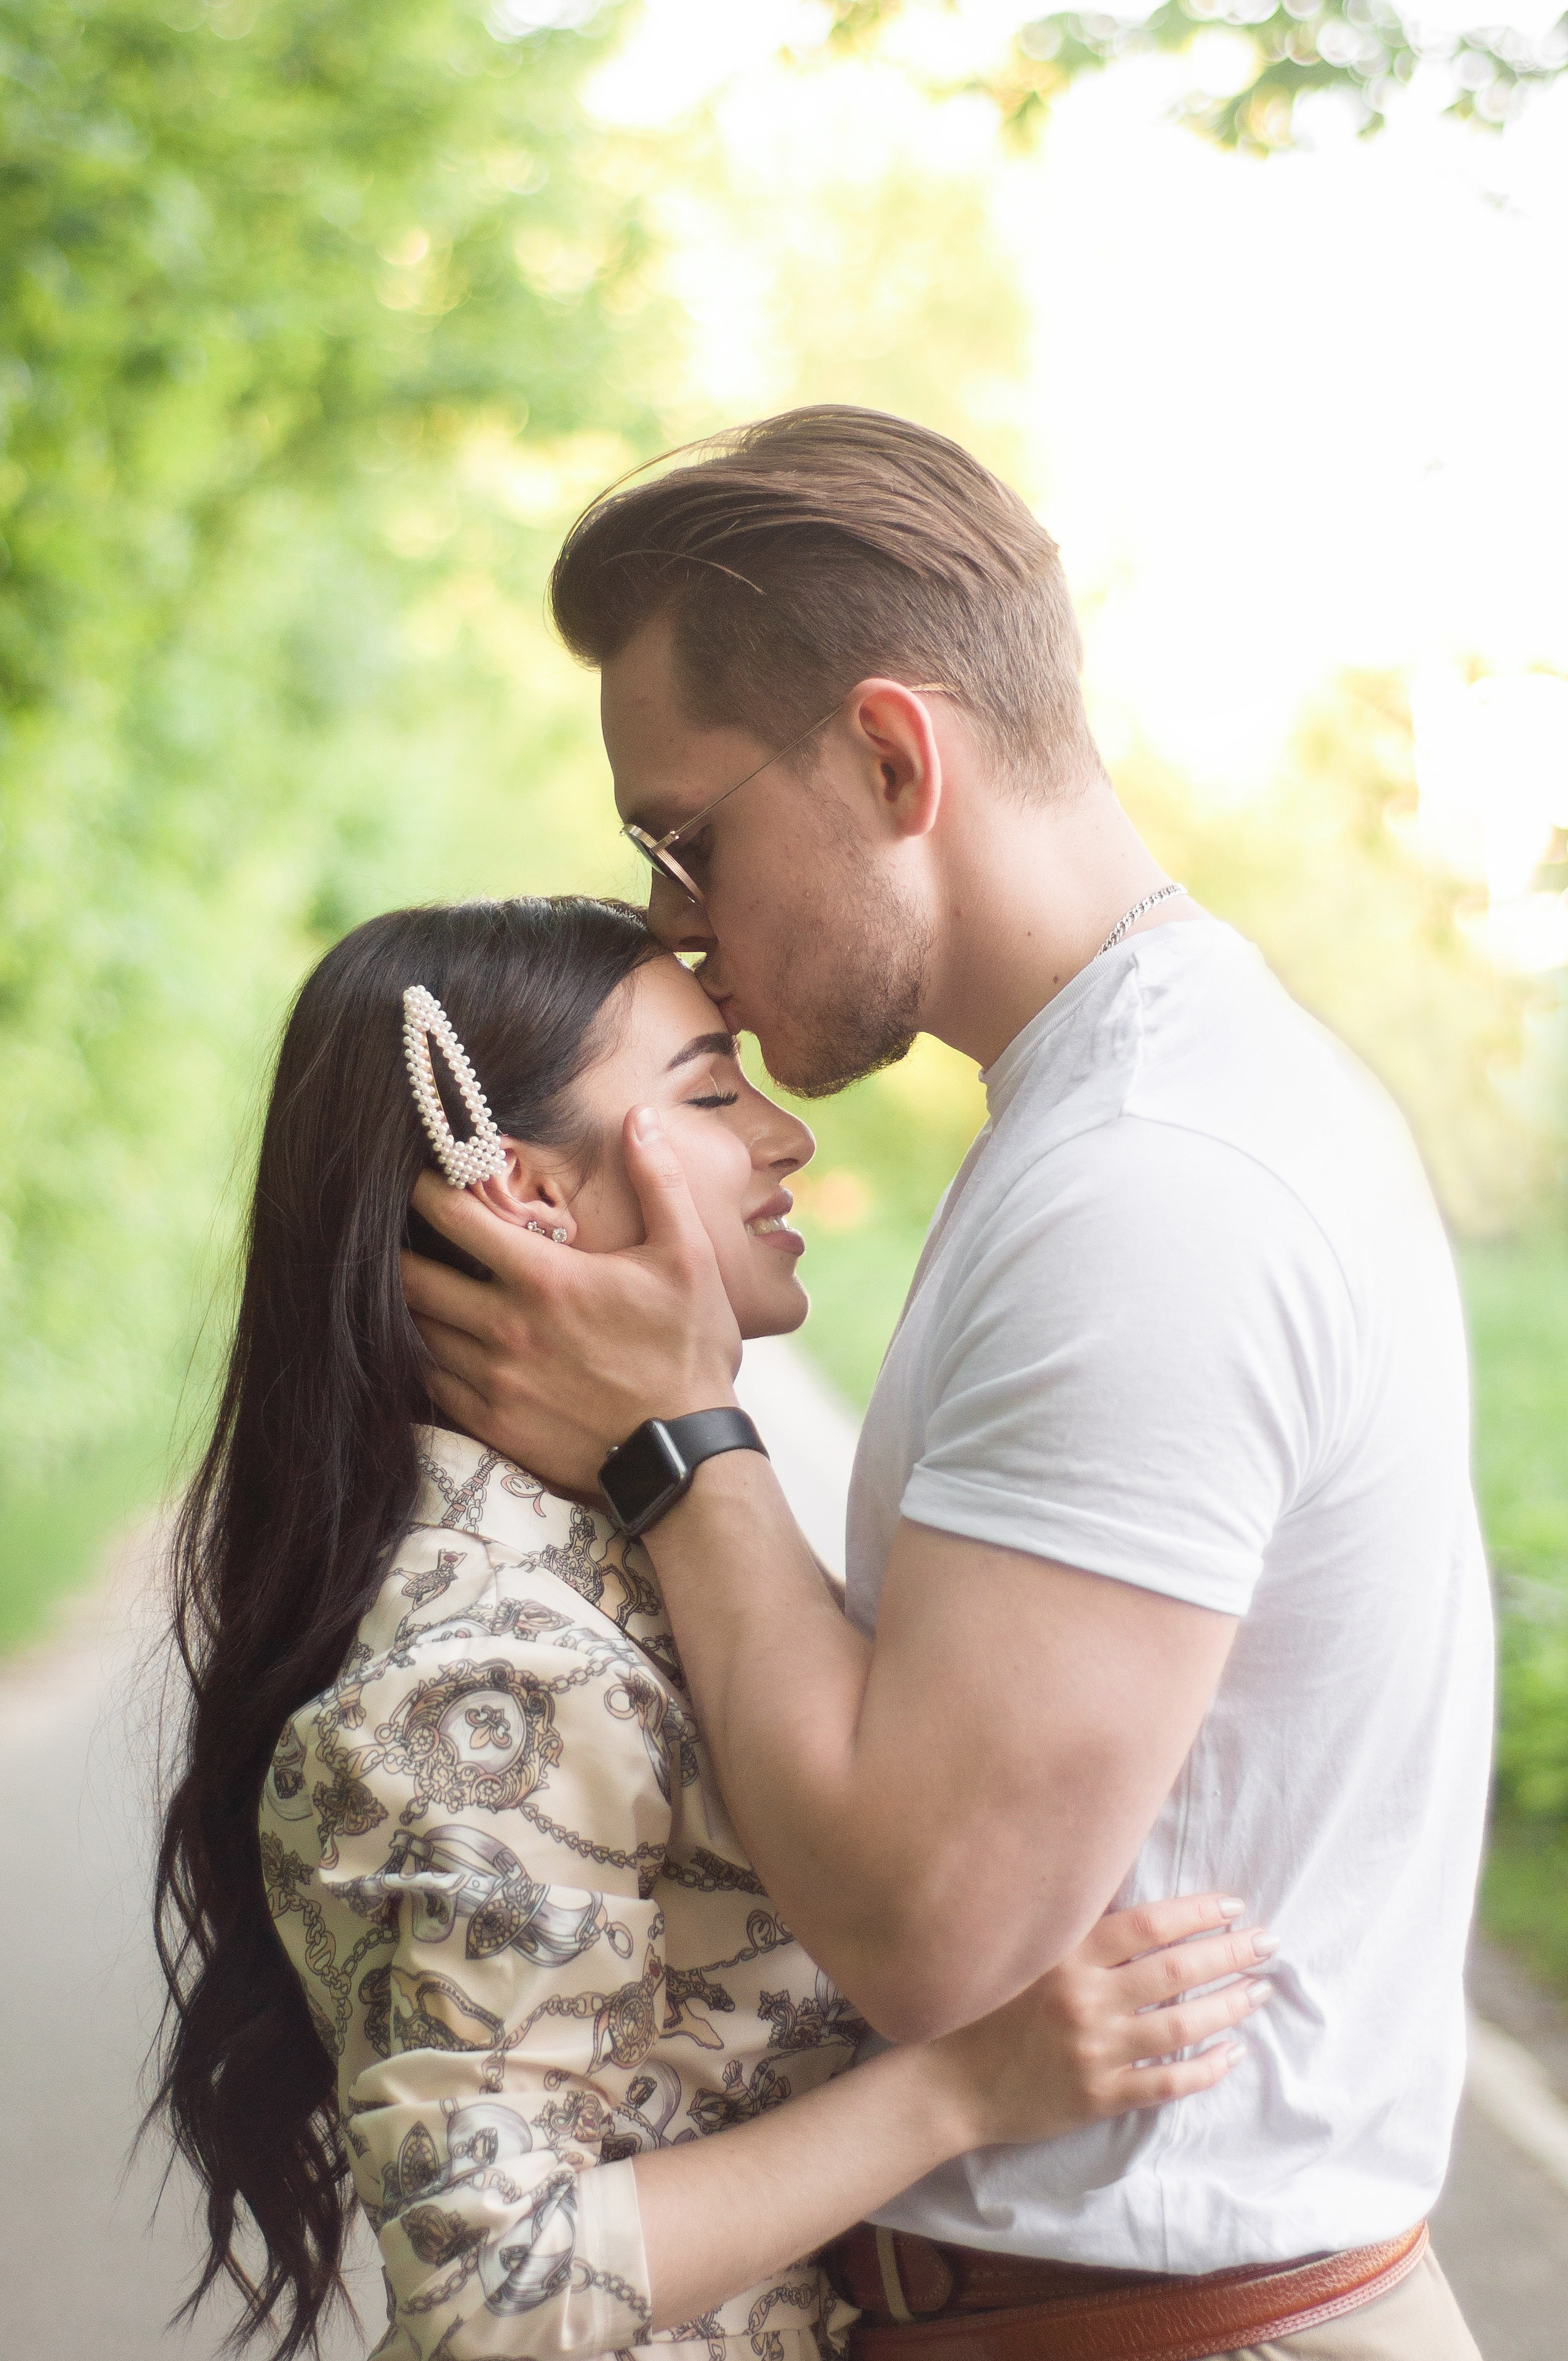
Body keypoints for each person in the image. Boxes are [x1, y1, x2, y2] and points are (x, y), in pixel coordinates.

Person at [403, 408, 1493, 2359]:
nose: (671, 918)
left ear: (892, 756)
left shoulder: (1155, 1179)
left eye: (685, 836)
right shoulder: (1103, 1113)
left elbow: (931, 1926)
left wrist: (676, 1440)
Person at [153, 894, 1272, 2361]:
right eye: (707, 1091)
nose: (783, 1135)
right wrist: (966, 2082)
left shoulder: (629, 1528)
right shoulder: (487, 1670)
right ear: (525, 1197)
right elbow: (494, 2289)